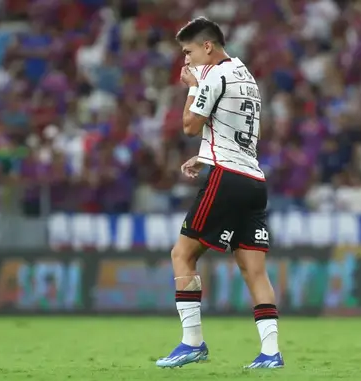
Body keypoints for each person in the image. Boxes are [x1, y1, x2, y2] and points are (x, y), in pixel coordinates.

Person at [155, 17, 283, 369]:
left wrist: (193, 87)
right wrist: (205, 154)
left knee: (182, 254)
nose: (187, 60)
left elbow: (189, 125)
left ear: (207, 46)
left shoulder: (213, 74)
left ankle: (192, 342)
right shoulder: (247, 77)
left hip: (226, 179)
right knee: (254, 271)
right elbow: (239, 133)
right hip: (254, 181)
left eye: (189, 52)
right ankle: (271, 353)